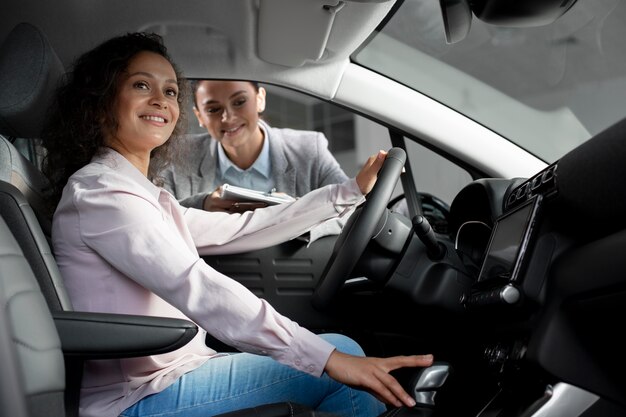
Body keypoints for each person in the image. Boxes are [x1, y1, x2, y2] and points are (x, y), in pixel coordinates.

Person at [42, 32, 433, 417]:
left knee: (342, 355)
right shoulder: (102, 194)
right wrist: (326, 358)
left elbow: (246, 227)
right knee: (343, 359)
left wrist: (345, 193)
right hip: (137, 397)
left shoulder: (137, 192)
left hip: (175, 372)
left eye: (171, 91)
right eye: (141, 85)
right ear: (100, 105)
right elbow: (195, 284)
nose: (161, 100)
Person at [161, 79, 349, 212]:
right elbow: (155, 215)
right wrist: (201, 205)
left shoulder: (309, 149)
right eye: (213, 109)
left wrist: (297, 210)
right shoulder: (180, 154)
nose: (228, 117)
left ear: (260, 100)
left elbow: (348, 207)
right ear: (200, 116)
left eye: (239, 102)